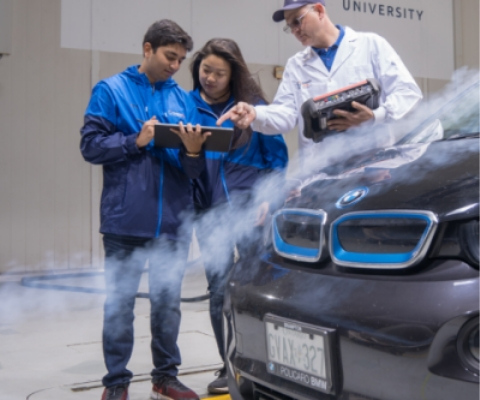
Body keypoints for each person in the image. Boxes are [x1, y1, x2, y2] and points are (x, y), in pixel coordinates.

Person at [80, 19, 209, 400]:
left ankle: (165, 377)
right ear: (147, 48)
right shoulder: (110, 91)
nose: (175, 65)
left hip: (172, 221)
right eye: (170, 56)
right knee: (119, 306)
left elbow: (194, 170)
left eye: (181, 60)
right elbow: (90, 146)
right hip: (125, 221)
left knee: (167, 307)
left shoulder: (184, 100)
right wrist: (135, 141)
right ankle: (116, 383)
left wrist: (193, 151)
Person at [188, 38, 288, 394]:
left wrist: (267, 197)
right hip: (209, 213)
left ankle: (262, 360)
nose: (210, 78)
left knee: (253, 286)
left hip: (250, 212)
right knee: (218, 289)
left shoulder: (253, 108)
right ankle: (228, 361)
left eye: (219, 72)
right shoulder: (187, 106)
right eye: (205, 70)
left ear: (234, 74)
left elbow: (277, 158)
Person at [218, 0, 423, 163]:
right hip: (322, 173)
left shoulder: (371, 45)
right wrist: (255, 113)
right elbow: (287, 114)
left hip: (373, 166)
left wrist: (375, 116)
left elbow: (408, 92)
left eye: (298, 21)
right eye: (290, 26)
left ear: (319, 10)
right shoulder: (296, 65)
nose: (295, 30)